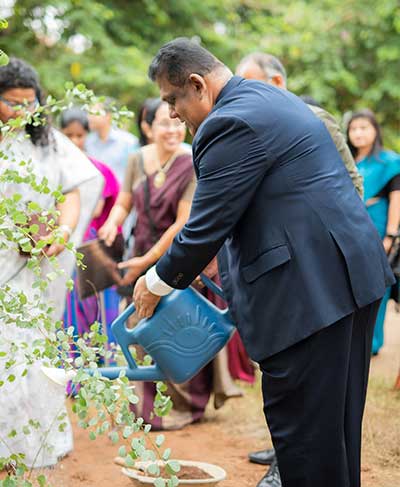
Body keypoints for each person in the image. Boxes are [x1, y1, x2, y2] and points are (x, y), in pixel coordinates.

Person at [133, 38, 394, 487]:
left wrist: (154, 282)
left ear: (197, 84)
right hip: (348, 280)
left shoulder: (226, 123)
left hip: (309, 296)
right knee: (334, 432)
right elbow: (269, 199)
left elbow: (203, 227)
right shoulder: (270, 98)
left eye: (172, 99)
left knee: (306, 441)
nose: (172, 113)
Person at [236, 51, 365, 483]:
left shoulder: (312, 118)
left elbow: (350, 183)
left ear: (275, 82)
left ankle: (285, 469)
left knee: (314, 383)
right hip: (273, 268)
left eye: (249, 82)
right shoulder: (250, 126)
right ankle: (282, 453)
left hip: (317, 267)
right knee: (287, 379)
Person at [0, 58, 102, 467]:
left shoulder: (49, 142)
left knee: (31, 347)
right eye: (12, 103)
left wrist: (60, 233)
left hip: (38, 265)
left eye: (31, 103)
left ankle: (32, 442)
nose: (24, 112)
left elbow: (74, 191)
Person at [236, 52, 364, 198]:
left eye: (251, 87)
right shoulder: (249, 129)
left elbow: (351, 179)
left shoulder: (316, 118)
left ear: (277, 81)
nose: (245, 96)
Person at [60, 108, 121, 347]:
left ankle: (105, 373)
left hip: (91, 247)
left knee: (100, 311)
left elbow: (97, 211)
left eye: (79, 135)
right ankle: (71, 373)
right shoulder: (55, 170)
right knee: (68, 313)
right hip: (63, 244)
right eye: (69, 135)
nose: (75, 141)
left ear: (87, 135)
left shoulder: (98, 170)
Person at [347, 109, 400, 355]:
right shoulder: (345, 160)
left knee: (378, 286)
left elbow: (396, 200)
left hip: (377, 230)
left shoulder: (389, 162)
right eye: (353, 128)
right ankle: (354, 338)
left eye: (363, 127)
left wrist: (390, 236)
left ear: (375, 131)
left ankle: (373, 342)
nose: (358, 133)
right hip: (348, 231)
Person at [85, 98, 138, 184]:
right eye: (89, 113)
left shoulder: (128, 142)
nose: (89, 117)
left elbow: (136, 173)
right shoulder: (88, 141)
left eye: (94, 114)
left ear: (108, 116)